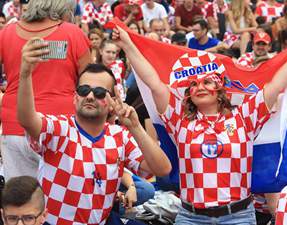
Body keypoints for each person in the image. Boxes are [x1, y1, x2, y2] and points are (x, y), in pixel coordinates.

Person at [113, 25, 287, 224]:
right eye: (194, 85)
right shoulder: (180, 121)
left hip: (238, 217)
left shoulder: (243, 117)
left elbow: (277, 83)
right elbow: (153, 82)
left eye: (207, 82)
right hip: (191, 217)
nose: (200, 87)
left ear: (220, 88)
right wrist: (128, 45)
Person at [17, 39, 172, 225]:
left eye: (99, 92)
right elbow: (27, 120)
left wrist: (135, 127)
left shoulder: (119, 135)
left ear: (113, 100)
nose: (90, 96)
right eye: (84, 90)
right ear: (75, 97)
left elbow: (162, 169)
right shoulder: (59, 128)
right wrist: (25, 74)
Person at [0, 0, 91, 181]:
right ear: (62, 9)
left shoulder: (6, 33)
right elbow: (89, 82)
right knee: (59, 197)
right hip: (60, 126)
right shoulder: (73, 32)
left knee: (20, 197)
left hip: (14, 124)